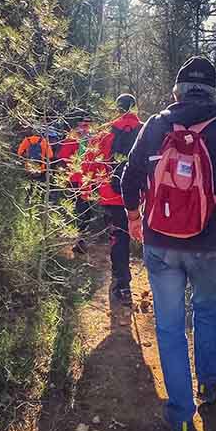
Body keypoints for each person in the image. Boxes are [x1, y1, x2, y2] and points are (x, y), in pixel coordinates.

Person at [120, 56, 216, 431]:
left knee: (168, 326)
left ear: (176, 92)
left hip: (160, 243)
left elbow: (129, 176)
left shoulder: (154, 126)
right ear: (214, 93)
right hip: (209, 246)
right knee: (206, 308)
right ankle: (211, 382)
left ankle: (182, 419)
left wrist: (134, 217)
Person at [82, 94, 142, 304]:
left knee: (119, 239)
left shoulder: (105, 131)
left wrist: (88, 190)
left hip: (113, 196)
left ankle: (123, 286)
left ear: (116, 108)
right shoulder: (147, 130)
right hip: (144, 198)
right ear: (135, 108)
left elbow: (89, 163)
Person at [55, 111, 94, 254]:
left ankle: (80, 241)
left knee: (79, 209)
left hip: (77, 179)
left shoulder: (73, 136)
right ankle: (81, 240)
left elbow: (63, 156)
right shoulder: (95, 136)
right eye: (86, 122)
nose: (86, 125)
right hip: (90, 179)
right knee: (85, 210)